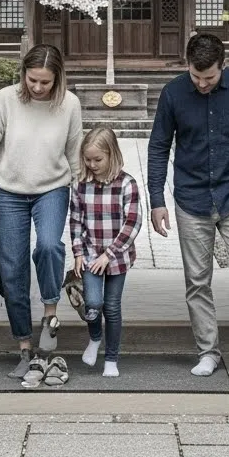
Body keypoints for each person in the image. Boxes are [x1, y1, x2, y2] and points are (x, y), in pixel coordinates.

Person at [148, 32, 229, 377]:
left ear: (224, 66)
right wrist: (156, 199)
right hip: (191, 195)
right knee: (197, 279)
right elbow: (158, 146)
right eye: (196, 76)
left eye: (210, 77)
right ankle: (208, 350)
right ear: (187, 66)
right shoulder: (173, 92)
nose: (202, 83)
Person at [0, 44, 83, 377]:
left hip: (52, 189)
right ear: (23, 74)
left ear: (58, 78)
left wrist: (84, 197)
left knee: (47, 246)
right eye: (33, 80)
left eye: (46, 82)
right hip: (9, 193)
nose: (39, 88)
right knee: (12, 268)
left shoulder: (69, 104)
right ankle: (25, 348)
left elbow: (74, 154)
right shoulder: (6, 99)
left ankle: (50, 316)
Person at [69, 126, 142, 378]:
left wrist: (109, 254)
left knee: (111, 307)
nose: (92, 164)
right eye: (88, 159)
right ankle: (95, 337)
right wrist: (78, 253)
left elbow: (132, 223)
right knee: (92, 304)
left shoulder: (127, 184)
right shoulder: (80, 184)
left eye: (97, 159)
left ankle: (111, 358)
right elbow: (76, 221)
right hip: (90, 255)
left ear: (112, 155)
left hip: (117, 258)